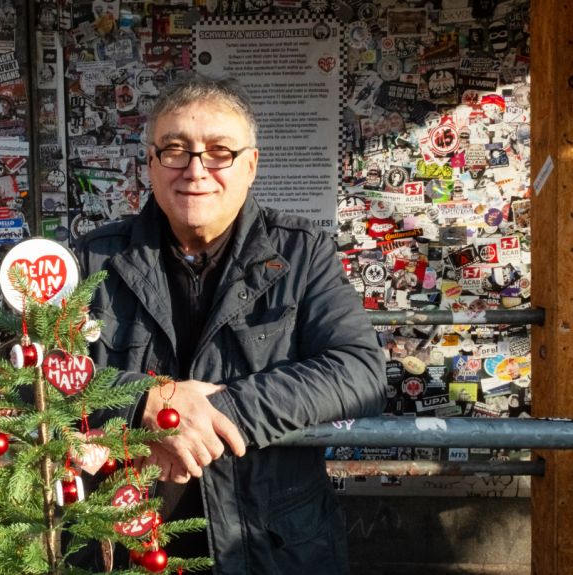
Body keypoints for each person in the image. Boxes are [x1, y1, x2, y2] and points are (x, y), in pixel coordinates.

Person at [75, 74, 386, 574]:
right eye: (175, 150)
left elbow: (358, 370)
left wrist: (214, 413)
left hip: (271, 544)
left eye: (219, 151)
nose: (196, 171)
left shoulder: (303, 255)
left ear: (251, 165)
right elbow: (32, 377)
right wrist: (148, 402)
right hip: (121, 543)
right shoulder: (95, 260)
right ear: (150, 164)